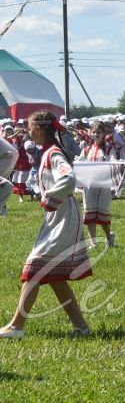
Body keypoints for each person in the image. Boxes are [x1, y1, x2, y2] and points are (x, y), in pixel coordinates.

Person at [0, 111, 91, 339]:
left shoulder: (53, 153)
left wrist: (50, 197)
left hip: (62, 215)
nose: (28, 133)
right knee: (54, 275)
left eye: (30, 129)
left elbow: (68, 178)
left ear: (39, 129)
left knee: (34, 269)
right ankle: (81, 327)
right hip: (58, 216)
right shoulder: (48, 152)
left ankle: (16, 326)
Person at [77, 120, 118, 248]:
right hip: (89, 185)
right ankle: (92, 242)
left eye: (98, 132)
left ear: (103, 134)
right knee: (89, 212)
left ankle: (108, 236)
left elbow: (113, 163)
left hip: (104, 185)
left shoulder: (109, 149)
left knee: (103, 212)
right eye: (93, 132)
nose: (95, 135)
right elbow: (79, 163)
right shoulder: (86, 149)